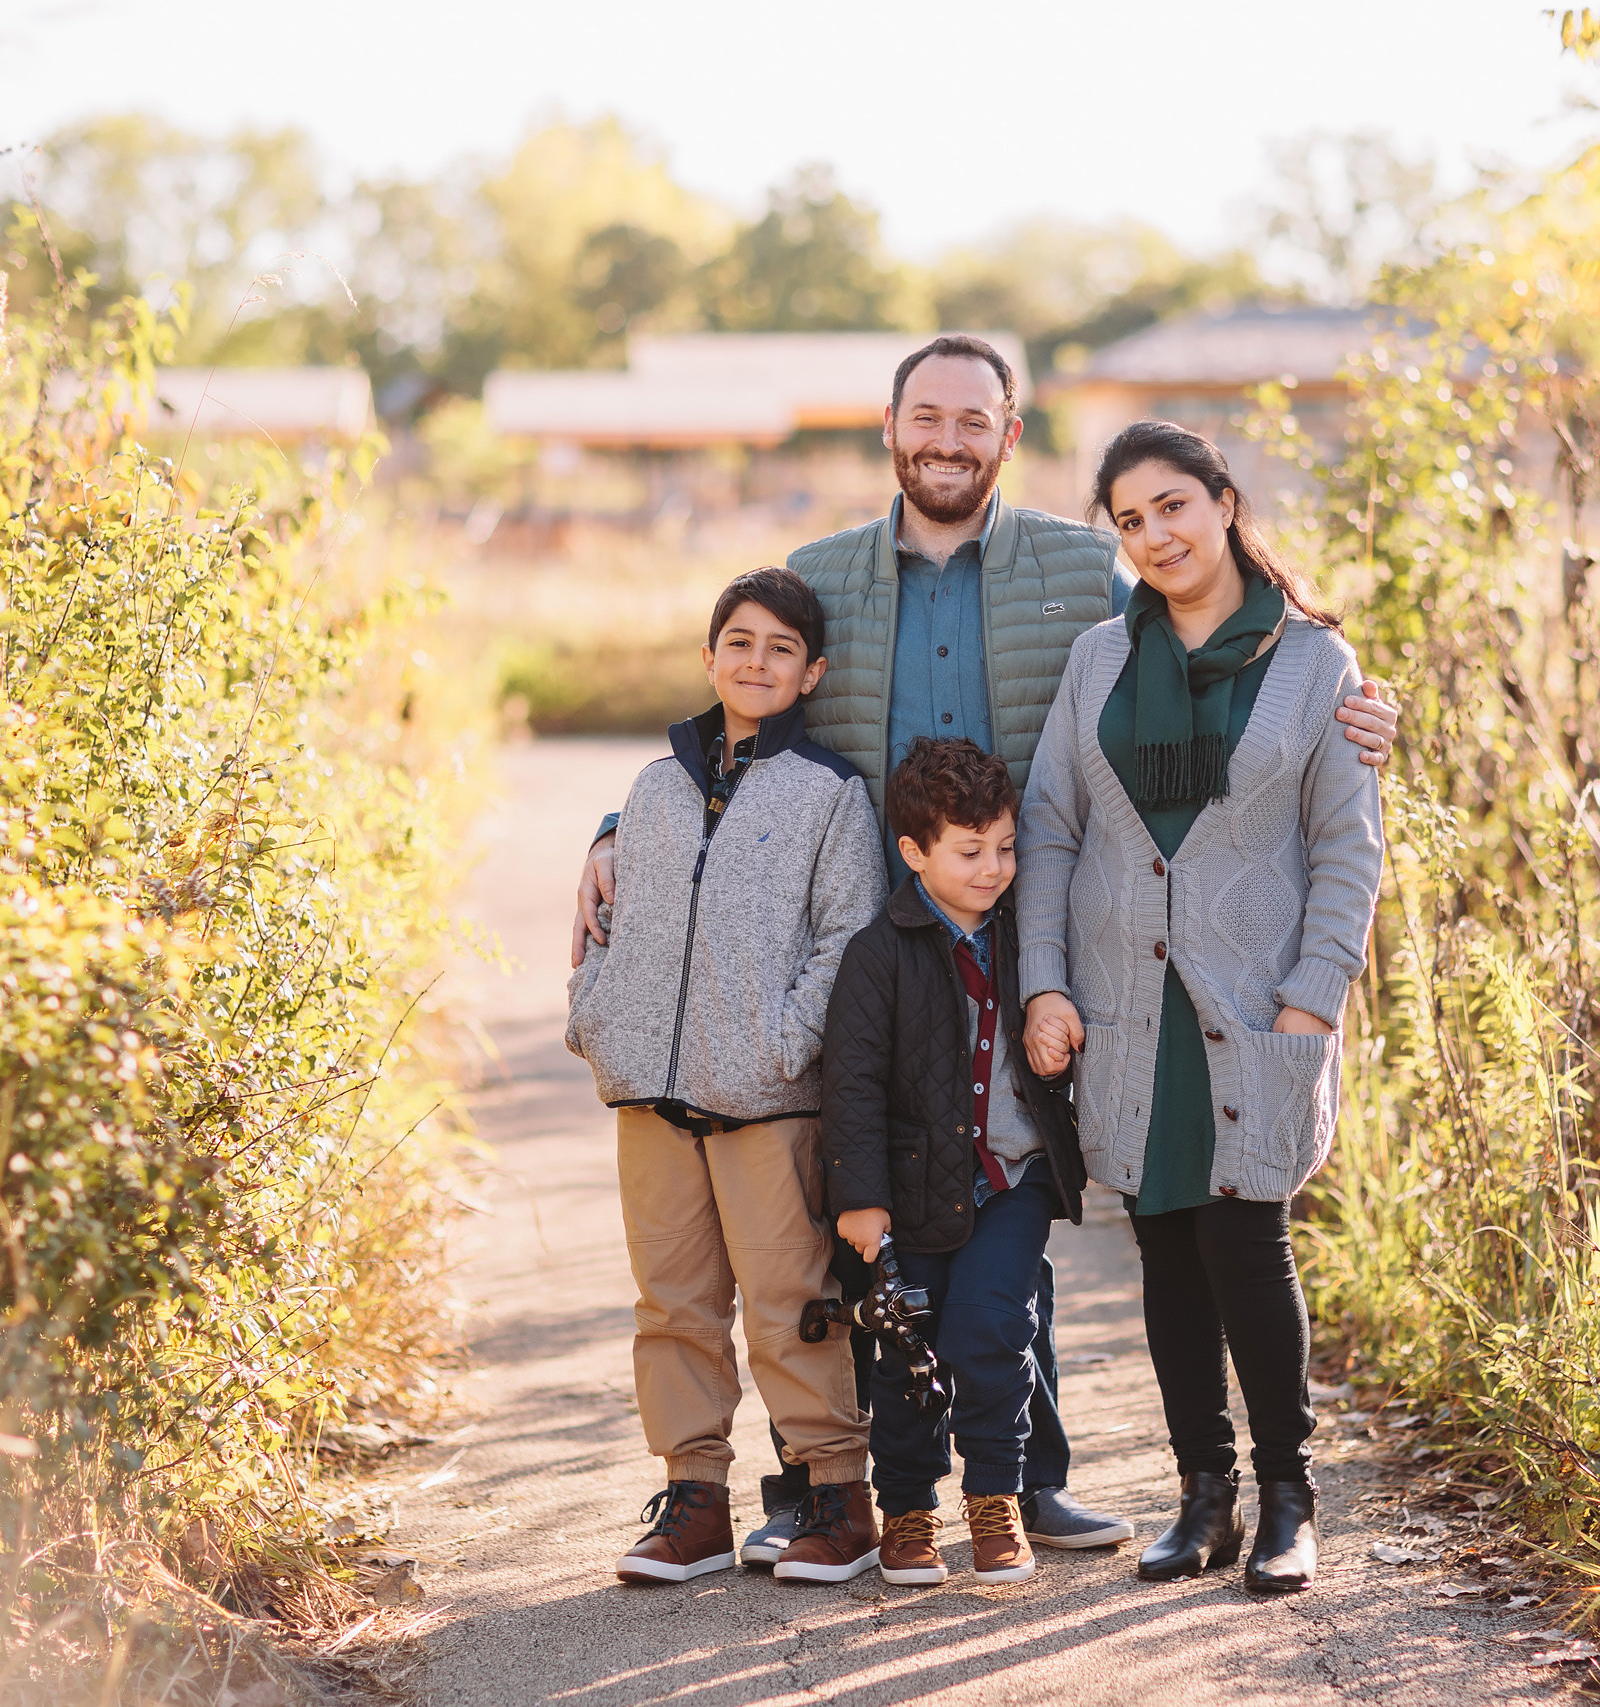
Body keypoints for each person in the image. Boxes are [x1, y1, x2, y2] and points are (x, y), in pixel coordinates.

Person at [572, 334, 1399, 1562]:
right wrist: (615, 828)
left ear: (1010, 436)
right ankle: (852, 1488)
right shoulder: (822, 573)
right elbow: (746, 706)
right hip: (878, 928)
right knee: (873, 1195)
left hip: (1036, 927)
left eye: (974, 420)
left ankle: (1029, 1477)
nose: (947, 440)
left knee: (1017, 1185)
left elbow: (1213, 643)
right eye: (926, 417)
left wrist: (1365, 705)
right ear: (890, 428)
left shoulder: (1084, 571)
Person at [1017, 421, 1383, 1596]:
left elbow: (1345, 847)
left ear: (1223, 503)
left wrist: (1312, 1004)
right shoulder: (1098, 663)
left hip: (1254, 1003)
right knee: (1165, 1248)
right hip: (1128, 1007)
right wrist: (1046, 981)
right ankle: (1202, 1498)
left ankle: (1289, 1498)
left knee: (1245, 1238)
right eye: (1128, 520)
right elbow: (1052, 828)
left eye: (1172, 506)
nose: (1154, 535)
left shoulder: (1314, 664)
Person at [564, 566, 888, 1585]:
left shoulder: (831, 794)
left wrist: (781, 1045)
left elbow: (846, 938)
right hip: (648, 1093)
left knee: (790, 1296)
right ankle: (693, 1496)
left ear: (812, 672)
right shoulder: (654, 788)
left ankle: (838, 1496)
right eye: (739, 643)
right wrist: (596, 1018)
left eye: (780, 649)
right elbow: (607, 921)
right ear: (710, 658)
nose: (756, 662)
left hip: (765, 1098)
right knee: (670, 1303)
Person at [818, 738, 1088, 1587]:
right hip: (908, 1191)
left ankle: (997, 1498)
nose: (994, 867)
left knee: (992, 1331)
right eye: (970, 851)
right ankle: (905, 1508)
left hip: (1013, 1179)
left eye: (1005, 847)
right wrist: (859, 1199)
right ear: (914, 852)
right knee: (906, 1351)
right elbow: (851, 1084)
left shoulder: (1028, 939)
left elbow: (1061, 1029)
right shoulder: (878, 952)